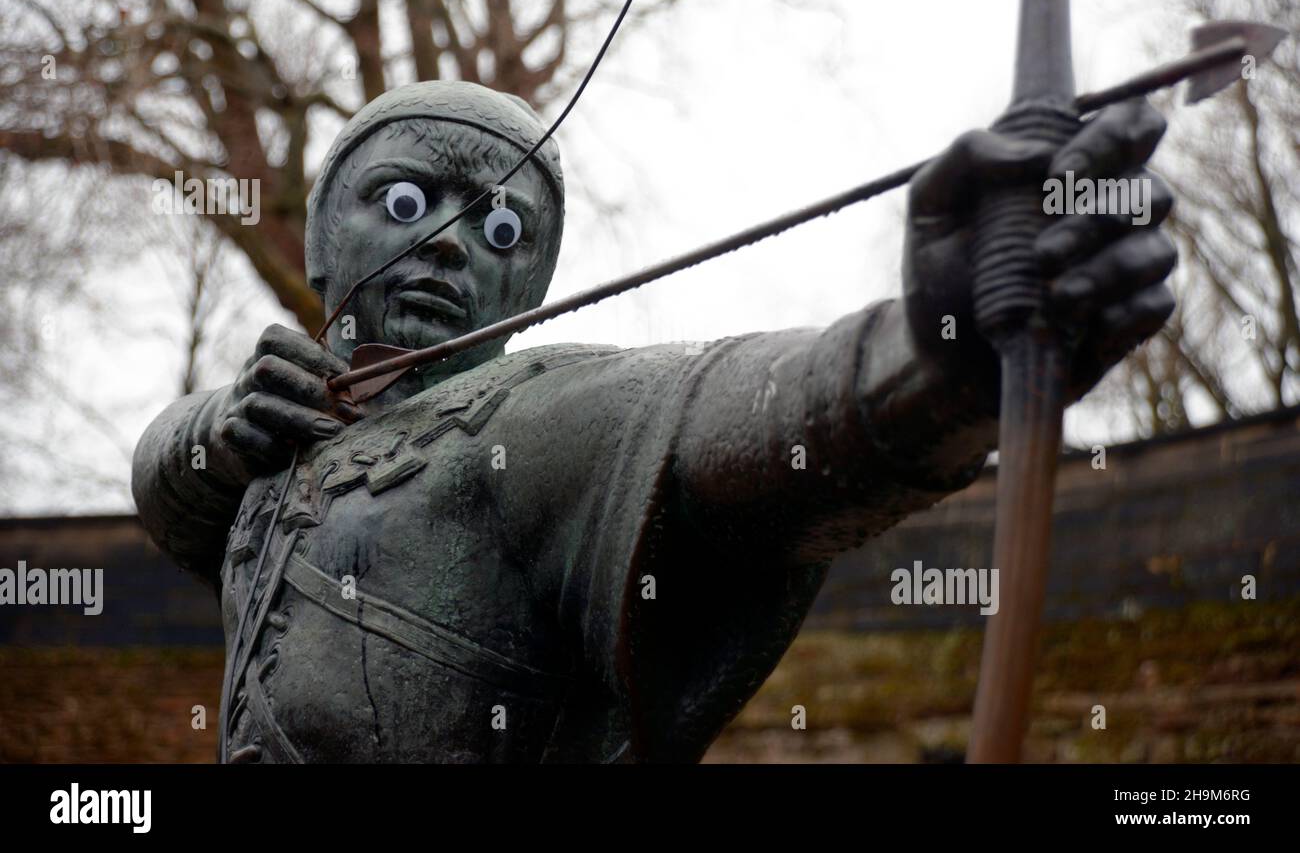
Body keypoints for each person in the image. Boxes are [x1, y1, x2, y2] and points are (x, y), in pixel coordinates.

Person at [132, 80, 1176, 762]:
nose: (449, 244)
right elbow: (165, 492)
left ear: (532, 282)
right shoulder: (271, 443)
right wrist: (218, 424)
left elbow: (751, 416)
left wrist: (942, 347)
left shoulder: (528, 419)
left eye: (501, 224)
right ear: (320, 239)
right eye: (405, 201)